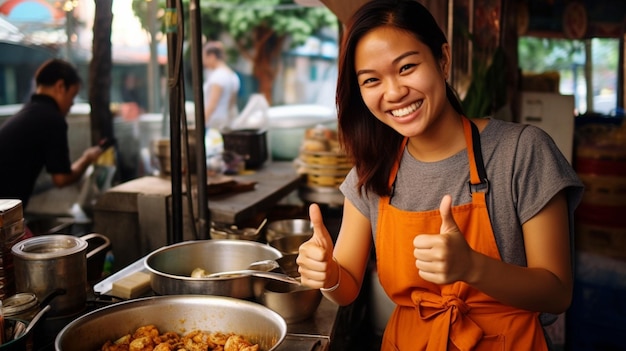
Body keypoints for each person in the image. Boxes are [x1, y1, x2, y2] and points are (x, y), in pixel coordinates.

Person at [296, 1, 584, 350]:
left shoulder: (521, 151)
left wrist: (473, 267)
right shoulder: (372, 169)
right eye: (372, 80)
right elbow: (348, 286)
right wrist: (328, 275)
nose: (393, 92)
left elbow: (557, 293)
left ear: (442, 59)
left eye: (407, 67)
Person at [0, 58, 103, 210]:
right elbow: (61, 179)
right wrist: (87, 158)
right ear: (60, 86)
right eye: (72, 96)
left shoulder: (29, 111)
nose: (72, 104)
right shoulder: (52, 119)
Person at [202, 40, 241, 131]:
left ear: (212, 56)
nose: (203, 62)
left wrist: (200, 125)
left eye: (204, 57)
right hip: (225, 121)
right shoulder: (232, 75)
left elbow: (212, 104)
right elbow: (232, 103)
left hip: (214, 123)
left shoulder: (218, 77)